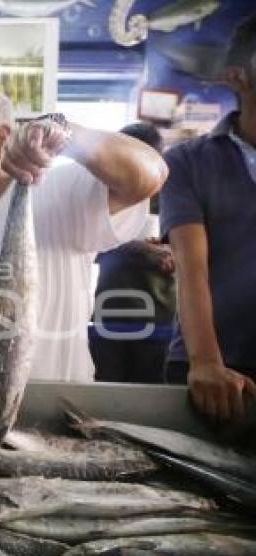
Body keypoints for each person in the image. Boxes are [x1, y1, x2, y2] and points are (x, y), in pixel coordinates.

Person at [0, 86, 167, 382]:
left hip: (47, 415)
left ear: (1, 137)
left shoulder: (54, 191)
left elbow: (150, 174)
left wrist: (64, 134)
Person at [160, 13, 256, 423]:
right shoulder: (187, 161)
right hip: (212, 370)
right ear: (238, 76)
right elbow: (190, 266)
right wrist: (205, 362)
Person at [91, 123, 176, 383]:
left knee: (149, 396)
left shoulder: (173, 195)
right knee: (105, 393)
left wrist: (173, 252)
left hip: (158, 319)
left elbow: (190, 246)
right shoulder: (99, 193)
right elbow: (88, 243)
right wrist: (145, 251)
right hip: (110, 314)